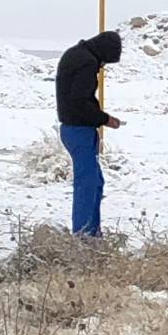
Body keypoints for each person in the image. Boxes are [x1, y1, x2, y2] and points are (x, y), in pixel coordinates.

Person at [55, 31, 123, 236]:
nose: (102, 67)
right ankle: (84, 235)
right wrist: (104, 119)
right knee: (87, 185)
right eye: (104, 62)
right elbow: (80, 102)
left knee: (95, 182)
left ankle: (92, 233)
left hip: (73, 128)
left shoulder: (76, 54)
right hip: (79, 130)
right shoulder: (86, 63)